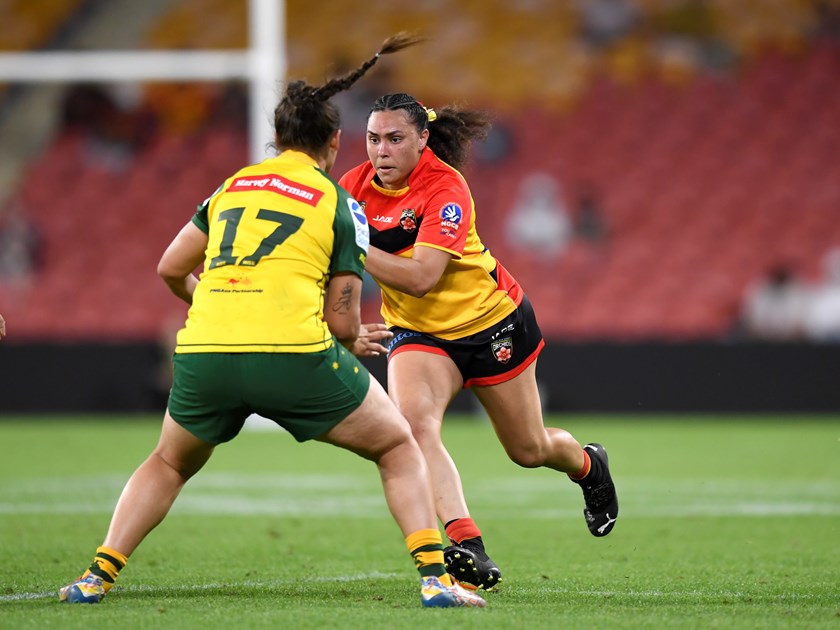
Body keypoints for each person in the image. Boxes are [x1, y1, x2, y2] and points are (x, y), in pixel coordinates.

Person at [58, 34, 485, 609]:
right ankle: (436, 581)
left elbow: (169, 267)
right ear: (335, 142)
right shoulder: (339, 201)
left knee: (167, 461)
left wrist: (220, 306)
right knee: (400, 446)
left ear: (276, 139)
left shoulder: (232, 185)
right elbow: (340, 318)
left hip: (207, 349)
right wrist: (354, 338)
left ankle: (96, 576)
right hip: (292, 356)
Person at [339, 94, 618, 591]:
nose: (381, 151)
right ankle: (468, 544)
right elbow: (338, 270)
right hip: (419, 333)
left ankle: (589, 465)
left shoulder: (445, 187)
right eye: (373, 139)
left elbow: (422, 277)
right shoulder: (352, 188)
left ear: (422, 139)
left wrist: (353, 247)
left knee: (528, 450)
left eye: (395, 139)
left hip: (490, 325)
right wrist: (341, 324)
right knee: (414, 428)